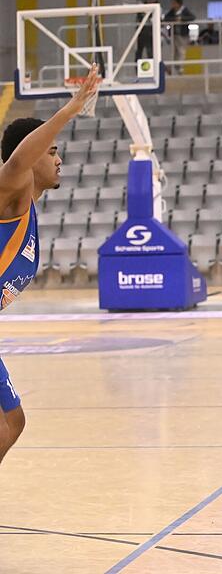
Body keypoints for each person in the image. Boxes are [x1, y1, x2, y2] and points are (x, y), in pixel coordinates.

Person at [0, 67, 100, 467]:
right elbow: (17, 161)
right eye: (53, 150)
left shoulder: (29, 211)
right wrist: (69, 110)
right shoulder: (11, 193)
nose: (60, 158)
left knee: (13, 421)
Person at [163, 0, 196, 74]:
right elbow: (166, 18)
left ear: (179, 3)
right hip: (174, 34)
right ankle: (174, 67)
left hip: (183, 35)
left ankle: (179, 67)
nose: (173, 5)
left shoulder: (184, 10)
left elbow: (192, 17)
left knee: (181, 51)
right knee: (174, 52)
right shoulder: (172, 11)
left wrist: (181, 19)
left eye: (174, 3)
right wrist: (174, 19)